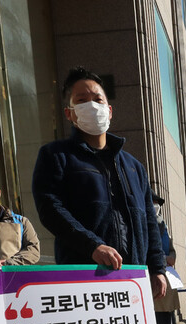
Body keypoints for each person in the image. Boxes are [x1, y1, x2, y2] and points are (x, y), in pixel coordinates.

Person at [32, 67, 166, 297]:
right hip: (85, 279)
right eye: (81, 101)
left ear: (109, 110)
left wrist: (157, 268)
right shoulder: (55, 156)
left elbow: (150, 222)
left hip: (132, 280)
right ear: (69, 113)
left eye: (97, 99)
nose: (92, 105)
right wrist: (92, 245)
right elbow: (50, 209)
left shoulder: (134, 167)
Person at [151, 194, 179, 324]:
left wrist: (172, 257)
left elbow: (171, 248)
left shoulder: (162, 223)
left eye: (158, 203)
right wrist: (162, 258)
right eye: (153, 203)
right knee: (154, 323)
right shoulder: (143, 221)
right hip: (151, 275)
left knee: (163, 322)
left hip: (165, 275)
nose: (156, 206)